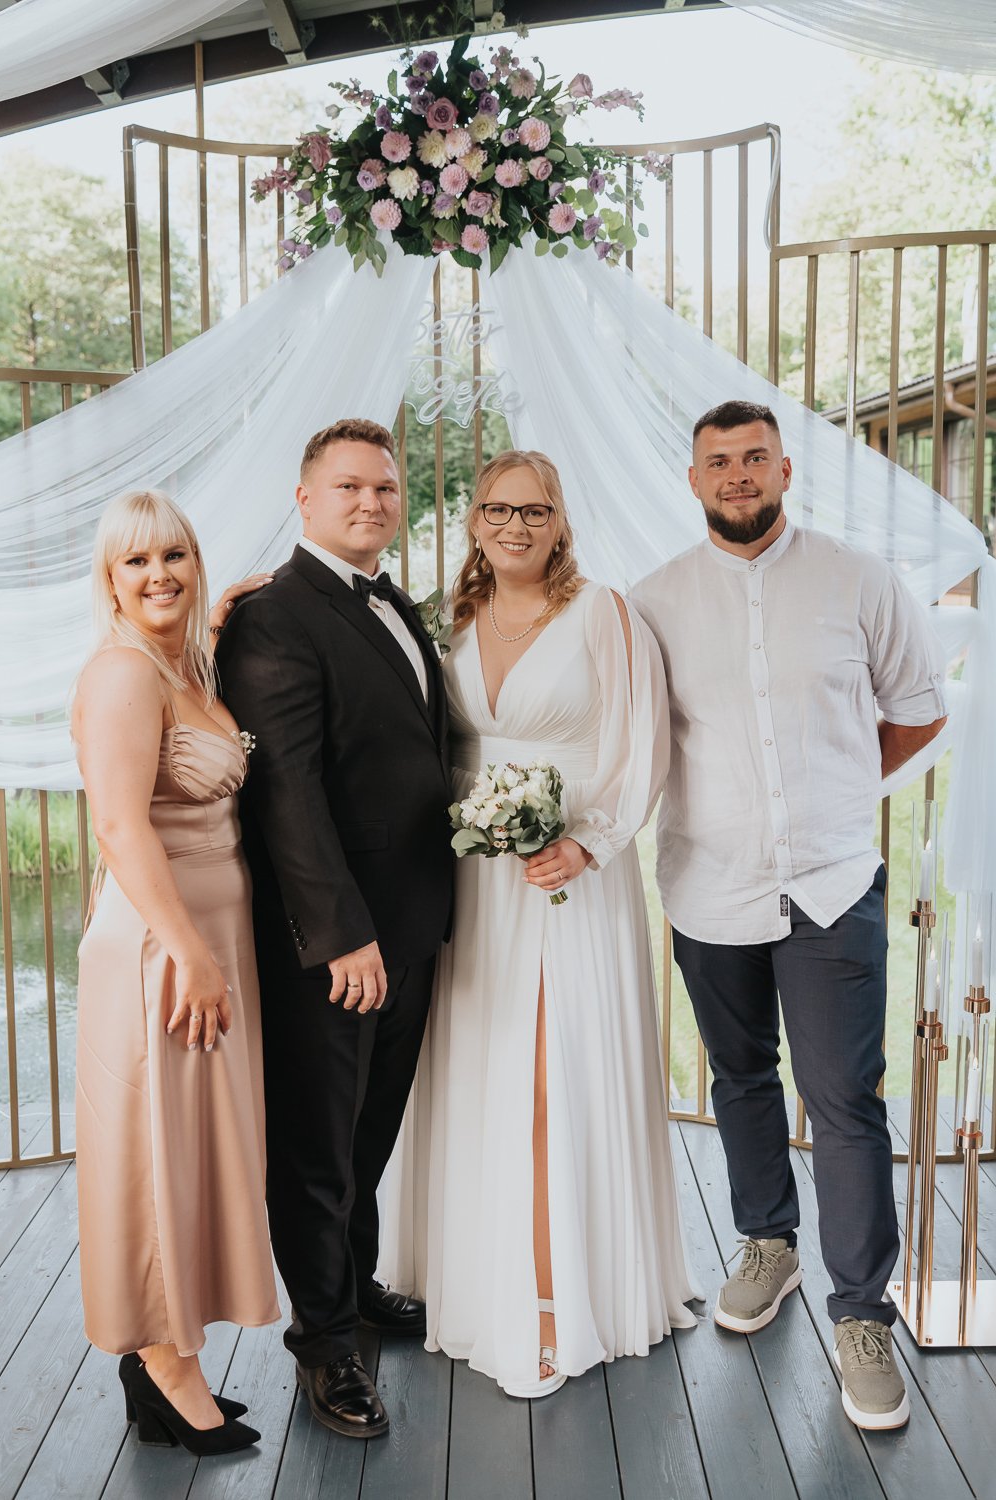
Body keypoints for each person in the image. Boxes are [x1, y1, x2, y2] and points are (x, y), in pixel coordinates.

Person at [632, 399, 948, 1433]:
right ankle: (768, 1242)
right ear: (694, 480)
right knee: (739, 1076)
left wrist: (842, 793)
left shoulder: (860, 580)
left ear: (783, 470)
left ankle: (861, 1317)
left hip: (830, 885)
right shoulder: (654, 602)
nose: (738, 473)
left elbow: (918, 710)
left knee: (845, 1099)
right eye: (718, 460)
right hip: (709, 884)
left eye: (754, 457)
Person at [378, 449, 700, 1399]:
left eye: (534, 510)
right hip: (470, 878)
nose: (514, 526)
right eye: (496, 509)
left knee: (552, 1076)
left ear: (560, 521)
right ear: (474, 520)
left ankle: (558, 1299)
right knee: (478, 1066)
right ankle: (474, 1277)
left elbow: (640, 745)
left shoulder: (603, 613)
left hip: (566, 873)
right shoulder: (450, 618)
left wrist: (588, 844)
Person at [215, 418, 453, 1439]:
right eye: (349, 486)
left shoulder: (393, 601)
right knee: (318, 1147)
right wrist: (340, 934)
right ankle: (324, 1348)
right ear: (305, 499)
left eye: (385, 487)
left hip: (412, 920)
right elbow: (287, 790)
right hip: (335, 941)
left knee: (370, 1128)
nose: (370, 501)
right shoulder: (273, 615)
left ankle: (355, 1287)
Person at [72, 490, 279, 1456]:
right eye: (136, 561)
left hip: (208, 941)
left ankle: (164, 1354)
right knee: (154, 1152)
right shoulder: (123, 673)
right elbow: (120, 827)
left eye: (174, 556)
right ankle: (166, 1366)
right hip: (162, 947)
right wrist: (191, 953)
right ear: (109, 579)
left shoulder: (183, 665)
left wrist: (218, 622)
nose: (158, 575)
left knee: (191, 1151)